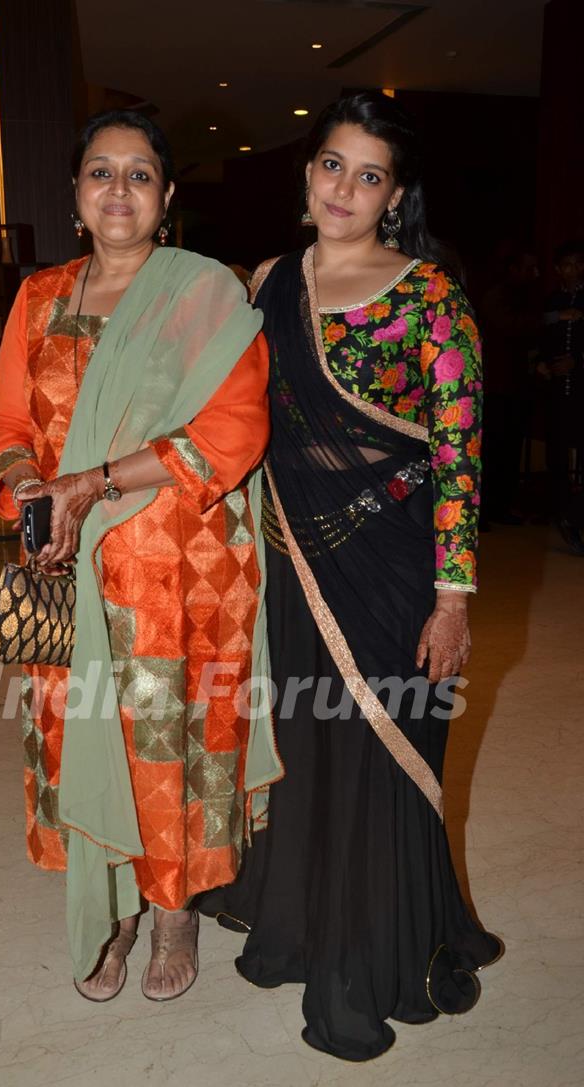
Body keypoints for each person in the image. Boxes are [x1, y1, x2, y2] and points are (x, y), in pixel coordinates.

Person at [197, 92, 502, 1061]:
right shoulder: (270, 280)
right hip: (294, 565)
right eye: (332, 163)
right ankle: (307, 917)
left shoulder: (429, 295)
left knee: (383, 755)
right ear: (306, 172)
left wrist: (453, 601)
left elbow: (460, 457)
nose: (345, 187)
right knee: (313, 750)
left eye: (369, 174)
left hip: (394, 570)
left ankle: (373, 958)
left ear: (395, 194)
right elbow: (237, 414)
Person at [0, 110, 281, 1003]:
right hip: (67, 567)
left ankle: (175, 904)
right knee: (84, 738)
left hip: (182, 567)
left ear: (168, 196)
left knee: (171, 739)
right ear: (76, 195)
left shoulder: (204, 294)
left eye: (139, 174)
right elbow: (4, 426)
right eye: (100, 173)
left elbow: (234, 428)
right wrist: (32, 488)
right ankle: (109, 909)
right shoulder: (39, 299)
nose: (119, 189)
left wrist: (93, 484)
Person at [479, 244, 541, 524]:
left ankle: (501, 508)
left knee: (509, 450)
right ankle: (487, 510)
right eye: (529, 268)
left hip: (514, 386)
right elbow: (510, 325)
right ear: (513, 269)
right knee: (493, 450)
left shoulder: (525, 296)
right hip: (496, 386)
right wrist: (547, 319)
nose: (535, 274)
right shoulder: (497, 296)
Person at [540, 240, 584, 554]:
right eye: (567, 265)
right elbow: (538, 334)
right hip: (555, 387)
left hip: (582, 386)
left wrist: (578, 362)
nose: (573, 270)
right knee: (556, 449)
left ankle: (575, 513)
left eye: (578, 264)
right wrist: (541, 362)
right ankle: (561, 511)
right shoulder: (552, 300)